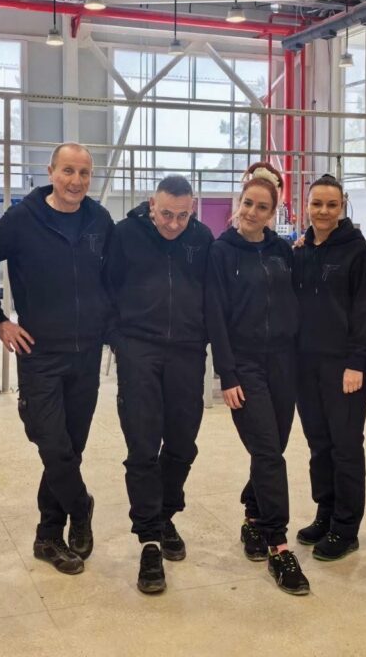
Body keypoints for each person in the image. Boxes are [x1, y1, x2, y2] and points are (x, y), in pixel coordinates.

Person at [0, 143, 113, 575]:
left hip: (87, 353)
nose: (76, 181)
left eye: (84, 173)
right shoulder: (22, 219)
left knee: (71, 447)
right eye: (68, 171)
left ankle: (48, 535)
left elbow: (116, 275)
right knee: (53, 444)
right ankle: (81, 506)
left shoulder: (99, 220)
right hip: (39, 352)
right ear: (51, 171)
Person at [105, 174, 214, 594]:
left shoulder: (201, 239)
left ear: (193, 209)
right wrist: (118, 339)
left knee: (183, 444)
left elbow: (213, 293)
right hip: (139, 350)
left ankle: (166, 514)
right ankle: (149, 538)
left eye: (182, 216)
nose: (173, 224)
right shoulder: (125, 235)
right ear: (152, 204)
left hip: (187, 351)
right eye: (166, 214)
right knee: (143, 446)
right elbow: (106, 286)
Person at [206, 162, 309, 596]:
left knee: (273, 447)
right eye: (247, 203)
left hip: (284, 362)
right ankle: (277, 543)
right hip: (245, 364)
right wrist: (227, 373)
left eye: (262, 207)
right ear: (238, 202)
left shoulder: (282, 251)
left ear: (273, 213)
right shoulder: (221, 252)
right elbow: (215, 317)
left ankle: (252, 514)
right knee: (268, 451)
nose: (251, 212)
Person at [293, 174, 366, 562]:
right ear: (306, 205)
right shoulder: (302, 250)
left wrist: (357, 361)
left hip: (344, 366)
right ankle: (325, 512)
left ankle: (346, 527)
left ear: (342, 206)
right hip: (306, 364)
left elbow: (365, 309)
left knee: (345, 446)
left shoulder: (358, 252)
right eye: (317, 204)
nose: (323, 211)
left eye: (331, 204)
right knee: (318, 444)